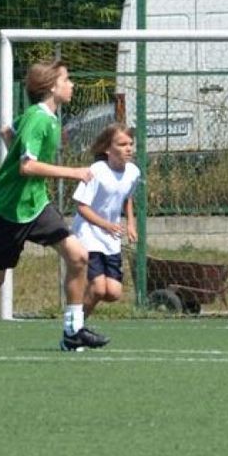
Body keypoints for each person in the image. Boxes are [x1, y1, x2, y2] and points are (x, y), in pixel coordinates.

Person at [0, 58, 110, 361]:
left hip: (36, 206)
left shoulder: (46, 117)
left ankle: (73, 331)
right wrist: (74, 172)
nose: (71, 85)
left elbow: (8, 131)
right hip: (5, 211)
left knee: (79, 256)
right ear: (52, 87)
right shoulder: (40, 118)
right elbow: (27, 165)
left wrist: (18, 151)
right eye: (66, 79)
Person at [70, 123, 141, 318]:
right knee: (99, 288)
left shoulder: (133, 172)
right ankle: (74, 327)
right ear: (108, 149)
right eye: (122, 144)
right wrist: (106, 225)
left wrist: (131, 224)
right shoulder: (97, 171)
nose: (128, 148)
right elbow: (81, 207)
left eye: (130, 144)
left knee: (113, 292)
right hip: (88, 234)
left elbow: (127, 197)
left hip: (110, 237)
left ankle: (78, 315)